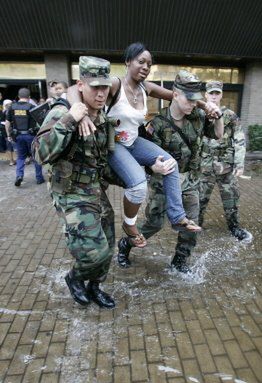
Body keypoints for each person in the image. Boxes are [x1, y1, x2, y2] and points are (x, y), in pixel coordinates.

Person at [68, 42, 202, 250]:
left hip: (134, 142)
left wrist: (205, 104)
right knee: (138, 186)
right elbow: (72, 89)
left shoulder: (145, 88)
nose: (146, 67)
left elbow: (175, 95)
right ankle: (129, 225)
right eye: (141, 61)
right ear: (128, 62)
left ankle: (177, 217)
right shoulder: (115, 84)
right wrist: (79, 114)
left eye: (149, 64)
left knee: (170, 164)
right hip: (114, 144)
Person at [117, 70, 224, 273]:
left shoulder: (198, 118)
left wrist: (217, 116)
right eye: (189, 99)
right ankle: (126, 244)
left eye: (196, 100)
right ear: (175, 94)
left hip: (191, 182)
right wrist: (152, 167)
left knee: (190, 226)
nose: (193, 104)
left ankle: (180, 261)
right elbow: (147, 157)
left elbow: (218, 134)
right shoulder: (156, 124)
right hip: (163, 183)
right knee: (154, 224)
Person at [36, 56, 119, 308]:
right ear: (80, 85)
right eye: (95, 87)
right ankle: (74, 278)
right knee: (94, 252)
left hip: (94, 190)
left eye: (104, 87)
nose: (101, 93)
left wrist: (147, 171)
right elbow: (40, 153)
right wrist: (70, 119)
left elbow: (103, 163)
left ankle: (94, 287)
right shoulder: (62, 111)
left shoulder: (102, 118)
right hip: (70, 193)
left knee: (108, 242)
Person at [199, 80, 252, 242]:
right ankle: (195, 225)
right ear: (205, 94)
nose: (214, 96)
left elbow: (239, 139)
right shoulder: (199, 115)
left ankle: (234, 227)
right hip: (204, 167)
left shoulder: (229, 115)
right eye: (211, 93)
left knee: (231, 199)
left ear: (221, 95)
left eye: (217, 93)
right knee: (199, 199)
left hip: (226, 167)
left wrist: (239, 163)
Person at [5, 88, 45, 186]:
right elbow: (41, 122)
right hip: (31, 136)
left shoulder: (11, 107)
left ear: (18, 97)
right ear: (29, 97)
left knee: (20, 157)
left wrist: (8, 135)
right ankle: (39, 178)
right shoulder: (32, 107)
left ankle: (19, 176)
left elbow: (7, 123)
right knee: (36, 157)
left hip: (18, 136)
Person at [0, 99, 16, 165]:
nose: (10, 105)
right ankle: (12, 160)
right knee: (14, 145)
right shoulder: (10, 111)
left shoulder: (2, 111)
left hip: (4, 130)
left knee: (9, 145)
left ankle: (11, 161)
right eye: (9, 104)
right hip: (9, 130)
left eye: (11, 103)